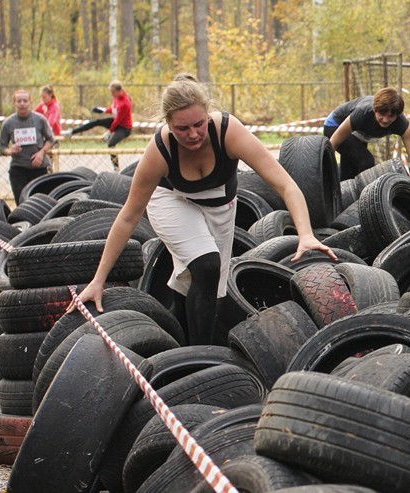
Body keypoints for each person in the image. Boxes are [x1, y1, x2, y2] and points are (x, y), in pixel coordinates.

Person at [72, 74, 337, 346]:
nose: (193, 134)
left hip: (219, 205)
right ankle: (202, 356)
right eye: (182, 128)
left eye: (199, 124)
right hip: (172, 200)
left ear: (208, 114)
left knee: (204, 287)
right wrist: (98, 280)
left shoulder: (228, 131)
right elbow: (128, 216)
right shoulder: (160, 151)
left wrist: (305, 234)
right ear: (168, 124)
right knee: (207, 265)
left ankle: (178, 346)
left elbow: (286, 186)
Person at [323, 87, 410, 187]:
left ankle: (343, 198)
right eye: (382, 114)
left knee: (351, 171)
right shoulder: (362, 113)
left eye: (391, 116)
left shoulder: (402, 124)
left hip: (359, 134)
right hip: (335, 125)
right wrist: (323, 171)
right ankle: (363, 198)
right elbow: (333, 143)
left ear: (397, 115)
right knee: (366, 161)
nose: (385, 119)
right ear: (375, 109)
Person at [0, 89, 55, 205]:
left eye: (25, 100)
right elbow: (2, 147)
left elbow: (51, 140)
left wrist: (41, 153)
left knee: (42, 204)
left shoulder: (40, 119)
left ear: (30, 102)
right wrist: (10, 150)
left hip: (39, 169)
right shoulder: (8, 123)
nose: (22, 103)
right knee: (22, 204)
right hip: (19, 170)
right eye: (19, 101)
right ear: (14, 103)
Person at [62, 80, 133, 170]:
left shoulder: (125, 103)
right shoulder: (116, 98)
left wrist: (109, 132)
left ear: (119, 91)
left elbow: (118, 120)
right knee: (96, 121)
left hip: (124, 127)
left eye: (113, 92)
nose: (111, 94)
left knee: (111, 144)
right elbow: (114, 109)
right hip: (116, 122)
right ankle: (72, 131)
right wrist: (103, 110)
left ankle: (116, 168)